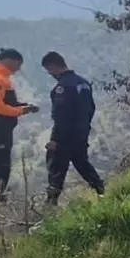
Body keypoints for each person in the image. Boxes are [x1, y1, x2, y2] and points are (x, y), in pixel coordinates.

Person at [40, 51, 105, 205]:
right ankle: (102, 192)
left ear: (53, 66)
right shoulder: (84, 83)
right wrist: (83, 129)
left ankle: (50, 206)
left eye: (49, 70)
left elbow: (61, 117)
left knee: (56, 170)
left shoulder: (62, 88)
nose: (50, 74)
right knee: (83, 164)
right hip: (81, 134)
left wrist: (55, 140)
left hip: (65, 137)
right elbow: (91, 109)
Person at [0, 48, 39, 200]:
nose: (19, 68)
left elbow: (7, 103)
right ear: (9, 60)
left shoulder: (2, 79)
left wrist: (25, 106)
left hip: (1, 130)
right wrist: (21, 111)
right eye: (18, 64)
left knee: (2, 164)